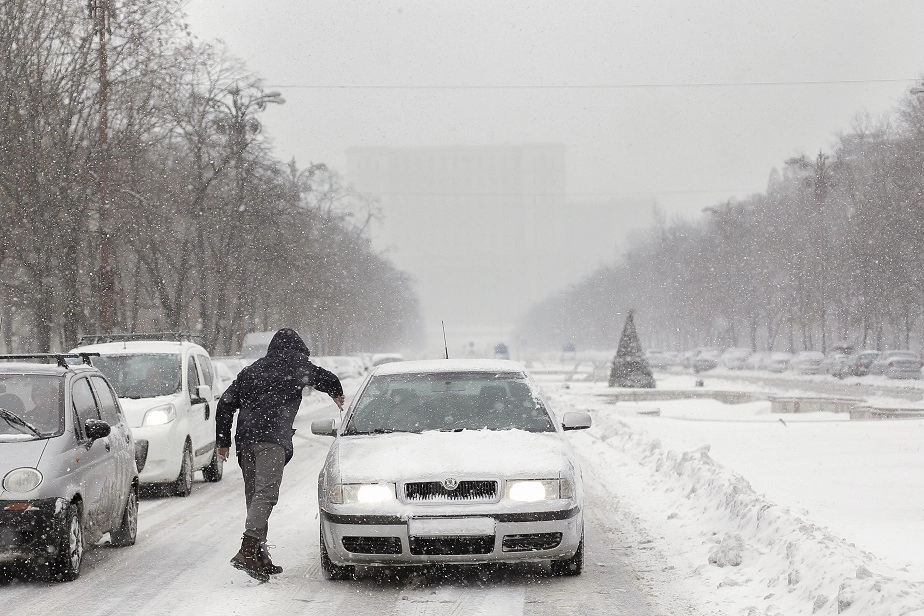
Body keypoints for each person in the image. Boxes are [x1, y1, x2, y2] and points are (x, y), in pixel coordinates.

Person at [216, 328, 344, 581]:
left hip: (245, 441)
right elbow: (326, 378)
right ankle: (248, 549)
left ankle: (260, 557)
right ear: (299, 349)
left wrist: (223, 441)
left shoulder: (251, 370)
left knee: (255, 498)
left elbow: (225, 403)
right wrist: (337, 394)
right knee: (266, 495)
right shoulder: (296, 364)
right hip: (270, 439)